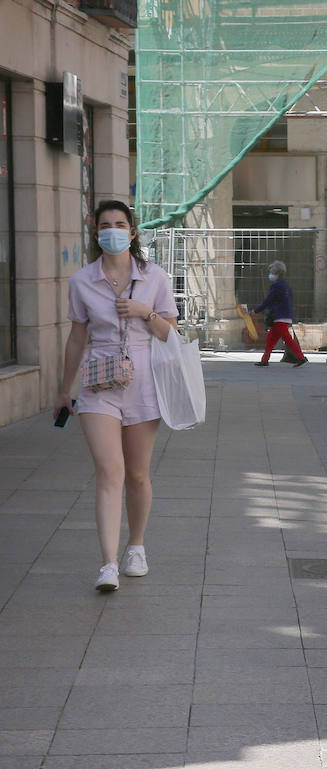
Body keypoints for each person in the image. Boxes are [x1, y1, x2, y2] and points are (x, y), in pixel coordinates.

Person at [54, 199, 179, 592]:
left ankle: (136, 547)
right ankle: (107, 563)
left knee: (138, 475)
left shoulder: (155, 277)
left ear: (133, 230)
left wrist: (144, 311)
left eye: (120, 223)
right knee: (110, 471)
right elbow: (77, 337)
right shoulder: (82, 281)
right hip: (97, 384)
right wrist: (64, 389)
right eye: (105, 224)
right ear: (96, 232)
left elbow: (170, 335)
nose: (112, 230)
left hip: (144, 383)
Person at [252, 260, 307, 367]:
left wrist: (256, 310)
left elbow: (268, 301)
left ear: (276, 272)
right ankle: (264, 360)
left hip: (279, 317)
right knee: (271, 340)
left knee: (287, 339)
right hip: (284, 316)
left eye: (271, 270)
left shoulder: (276, 286)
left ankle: (301, 358)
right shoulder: (286, 285)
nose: (270, 273)